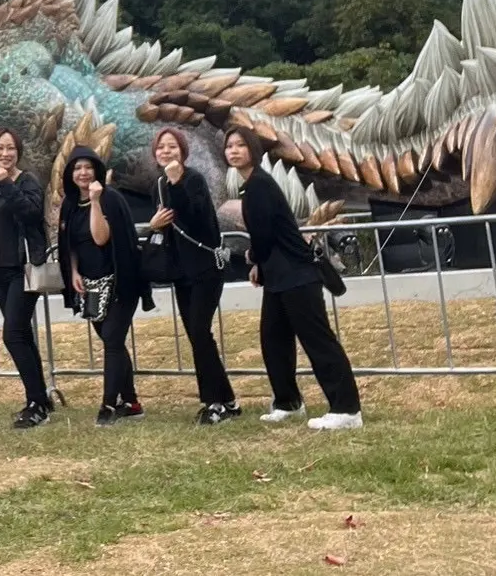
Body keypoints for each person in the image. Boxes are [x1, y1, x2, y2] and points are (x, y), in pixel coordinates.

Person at [225, 128, 363, 431]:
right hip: (278, 276)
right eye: (230, 146)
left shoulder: (260, 185)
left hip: (297, 274)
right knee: (273, 340)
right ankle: (288, 402)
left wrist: (252, 258)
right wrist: (260, 263)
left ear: (254, 150)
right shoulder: (251, 186)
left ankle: (346, 408)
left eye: (240, 145)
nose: (234, 151)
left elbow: (263, 235)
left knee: (318, 340)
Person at [58, 145, 155, 426]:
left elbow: (100, 238)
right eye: (77, 168)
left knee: (112, 340)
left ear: (97, 170)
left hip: (120, 283)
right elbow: (69, 245)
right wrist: (73, 271)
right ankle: (132, 402)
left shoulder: (110, 199)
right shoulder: (69, 204)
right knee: (112, 341)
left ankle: (108, 405)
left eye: (88, 167)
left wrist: (96, 201)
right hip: (90, 286)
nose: (83, 172)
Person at [148, 127, 239, 425]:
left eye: (172, 146)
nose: (166, 152)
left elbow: (199, 217)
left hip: (205, 269)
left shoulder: (193, 179)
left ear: (183, 151)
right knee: (196, 336)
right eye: (161, 147)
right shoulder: (159, 184)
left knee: (201, 332)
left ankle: (215, 402)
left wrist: (177, 183)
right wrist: (155, 225)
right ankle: (225, 399)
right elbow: (170, 227)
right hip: (181, 272)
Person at [0, 126, 52, 429]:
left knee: (12, 335)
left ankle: (35, 403)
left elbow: (31, 214)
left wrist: (7, 183)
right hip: (2, 273)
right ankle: (41, 398)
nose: (4, 154)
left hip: (25, 269)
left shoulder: (26, 181)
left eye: (10, 148)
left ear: (18, 151)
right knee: (22, 335)